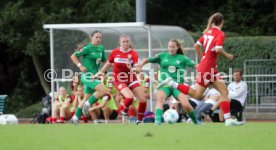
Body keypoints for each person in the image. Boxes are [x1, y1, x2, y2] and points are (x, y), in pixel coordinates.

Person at [157, 12, 243, 126]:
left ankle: (228, 120)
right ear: (222, 22)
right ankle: (173, 84)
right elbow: (217, 49)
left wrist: (202, 57)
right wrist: (228, 56)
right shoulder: (220, 34)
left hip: (209, 67)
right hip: (208, 68)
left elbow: (196, 45)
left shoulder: (208, 32)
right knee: (202, 94)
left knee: (221, 92)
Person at [138, 39, 199, 125]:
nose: (171, 48)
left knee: (186, 105)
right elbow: (146, 60)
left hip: (177, 85)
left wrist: (205, 69)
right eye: (169, 46)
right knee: (160, 100)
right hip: (164, 84)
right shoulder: (162, 56)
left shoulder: (182, 58)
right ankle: (157, 122)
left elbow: (197, 65)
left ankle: (196, 121)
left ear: (177, 47)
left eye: (173, 47)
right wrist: (140, 65)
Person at [95, 35, 147, 125]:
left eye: (127, 41)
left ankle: (139, 121)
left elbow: (137, 69)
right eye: (123, 41)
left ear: (129, 42)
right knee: (130, 97)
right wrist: (101, 72)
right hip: (119, 79)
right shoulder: (115, 52)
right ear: (120, 43)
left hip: (131, 79)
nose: (126, 43)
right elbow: (109, 63)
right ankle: (124, 113)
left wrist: (132, 68)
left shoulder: (133, 54)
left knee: (143, 99)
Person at [70, 31, 111, 124]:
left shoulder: (101, 48)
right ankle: (87, 105)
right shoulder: (87, 48)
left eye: (100, 37)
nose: (98, 39)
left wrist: (104, 72)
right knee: (104, 91)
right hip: (87, 76)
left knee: (85, 99)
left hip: (95, 76)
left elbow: (105, 61)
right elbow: (73, 56)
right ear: (91, 37)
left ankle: (75, 118)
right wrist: (80, 65)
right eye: (96, 37)